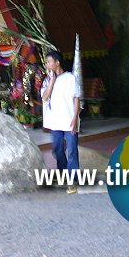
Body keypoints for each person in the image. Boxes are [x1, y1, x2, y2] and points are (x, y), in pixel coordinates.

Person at [40, 49, 81, 194]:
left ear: (57, 62)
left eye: (49, 61)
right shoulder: (47, 81)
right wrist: (52, 80)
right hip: (55, 123)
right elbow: (45, 98)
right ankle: (64, 174)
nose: (47, 64)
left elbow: (76, 99)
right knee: (57, 149)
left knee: (71, 152)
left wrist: (75, 119)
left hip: (69, 121)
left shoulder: (70, 78)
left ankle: (72, 181)